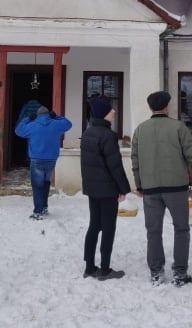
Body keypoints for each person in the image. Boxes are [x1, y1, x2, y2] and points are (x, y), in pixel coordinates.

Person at [131, 90, 192, 287]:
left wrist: (139, 184)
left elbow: (135, 160)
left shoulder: (140, 130)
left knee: (153, 230)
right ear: (166, 107)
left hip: (151, 188)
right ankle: (180, 273)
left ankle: (156, 272)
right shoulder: (178, 127)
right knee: (181, 228)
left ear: (150, 107)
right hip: (176, 188)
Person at [80, 97, 131, 281]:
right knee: (108, 228)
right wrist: (123, 189)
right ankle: (105, 269)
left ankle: (89, 266)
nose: (114, 112)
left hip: (93, 189)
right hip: (108, 190)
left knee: (94, 225)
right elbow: (115, 166)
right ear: (103, 113)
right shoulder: (108, 136)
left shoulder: (87, 133)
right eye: (111, 110)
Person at [15, 105, 72, 219]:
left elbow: (18, 130)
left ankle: (38, 211)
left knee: (37, 186)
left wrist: (28, 118)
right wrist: (56, 116)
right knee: (46, 183)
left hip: (37, 160)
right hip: (51, 160)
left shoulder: (32, 125)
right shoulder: (56, 124)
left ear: (38, 115)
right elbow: (68, 123)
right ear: (48, 115)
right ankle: (44, 207)